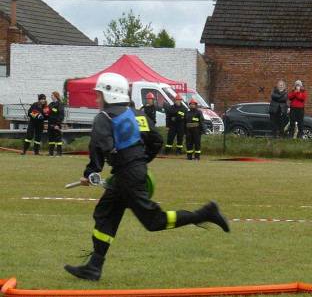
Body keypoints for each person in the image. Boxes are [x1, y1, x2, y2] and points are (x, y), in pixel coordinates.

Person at [63, 73, 229, 282]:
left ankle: (205, 213)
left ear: (109, 95)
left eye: (99, 95)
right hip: (129, 173)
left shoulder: (104, 118)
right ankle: (94, 267)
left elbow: (99, 145)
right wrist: (140, 162)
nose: (97, 100)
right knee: (104, 213)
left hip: (126, 175)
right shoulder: (136, 114)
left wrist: (90, 173)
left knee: (154, 221)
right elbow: (156, 140)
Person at [45, 91, 65, 157]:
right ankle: (51, 152)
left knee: (58, 138)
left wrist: (58, 124)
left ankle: (59, 152)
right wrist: (45, 112)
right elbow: (48, 112)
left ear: (56, 96)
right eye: (51, 95)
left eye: (52, 95)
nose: (51, 97)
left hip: (56, 123)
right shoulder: (51, 104)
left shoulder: (60, 104)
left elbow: (61, 115)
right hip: (50, 123)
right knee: (51, 138)